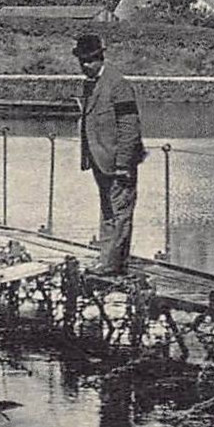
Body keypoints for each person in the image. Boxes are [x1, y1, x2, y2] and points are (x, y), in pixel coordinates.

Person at [74, 32, 145, 275]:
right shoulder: (90, 83)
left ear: (100, 57)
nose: (85, 65)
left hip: (117, 162)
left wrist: (124, 164)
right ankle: (108, 259)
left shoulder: (118, 84)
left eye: (90, 60)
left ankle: (112, 264)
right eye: (81, 60)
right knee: (108, 210)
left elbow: (129, 127)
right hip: (100, 160)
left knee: (120, 213)